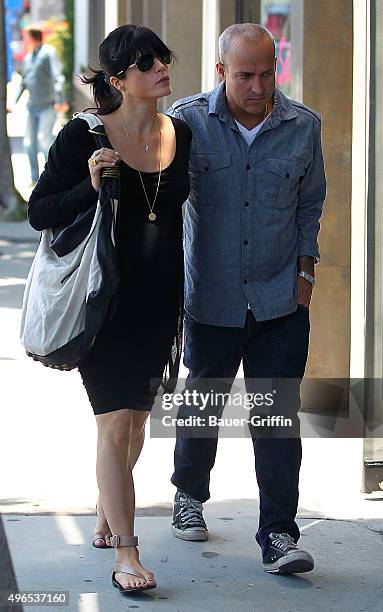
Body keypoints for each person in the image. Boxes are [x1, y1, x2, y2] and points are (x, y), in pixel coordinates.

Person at [27, 24, 192, 594]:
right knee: (114, 425)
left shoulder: (182, 134)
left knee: (139, 423)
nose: (162, 69)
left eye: (163, 59)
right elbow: (41, 210)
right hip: (103, 304)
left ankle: (107, 509)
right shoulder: (84, 137)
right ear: (119, 80)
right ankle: (127, 554)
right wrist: (90, 187)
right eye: (147, 64)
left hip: (160, 304)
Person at [167, 23, 326, 574]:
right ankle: (189, 494)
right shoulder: (187, 122)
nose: (258, 87)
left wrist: (305, 275)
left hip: (280, 300)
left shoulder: (303, 127)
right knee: (202, 403)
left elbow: (311, 205)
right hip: (211, 297)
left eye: (266, 73)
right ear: (221, 72)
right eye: (244, 75)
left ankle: (279, 535)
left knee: (277, 417)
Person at [10, 27, 66, 187]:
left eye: (25, 37)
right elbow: (24, 82)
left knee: (44, 141)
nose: (24, 40)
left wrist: (60, 99)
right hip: (32, 107)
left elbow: (58, 77)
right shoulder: (28, 57)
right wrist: (13, 102)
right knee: (29, 143)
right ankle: (35, 178)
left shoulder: (48, 53)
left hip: (47, 105)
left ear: (33, 37)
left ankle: (52, 178)